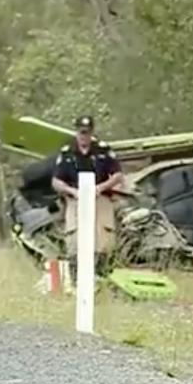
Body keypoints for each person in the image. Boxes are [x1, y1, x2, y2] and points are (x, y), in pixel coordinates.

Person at [51, 115, 124, 278]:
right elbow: (56, 181)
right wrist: (72, 191)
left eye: (87, 133)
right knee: (74, 239)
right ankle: (76, 278)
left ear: (92, 133)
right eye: (81, 132)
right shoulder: (67, 152)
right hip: (75, 198)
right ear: (77, 132)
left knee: (103, 240)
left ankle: (103, 276)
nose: (84, 136)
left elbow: (118, 175)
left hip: (100, 197)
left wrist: (101, 187)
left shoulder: (102, 150)